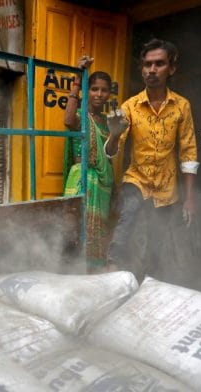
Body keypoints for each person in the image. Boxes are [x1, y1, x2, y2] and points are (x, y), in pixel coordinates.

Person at [104, 38, 199, 279]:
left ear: (172, 68)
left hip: (166, 188)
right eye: (147, 65)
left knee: (156, 243)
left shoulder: (181, 107)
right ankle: (111, 272)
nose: (152, 70)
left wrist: (189, 199)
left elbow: (188, 153)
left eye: (159, 64)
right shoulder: (131, 106)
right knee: (128, 220)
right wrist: (114, 135)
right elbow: (112, 150)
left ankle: (146, 283)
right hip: (136, 179)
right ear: (141, 69)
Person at [62, 55, 115, 273]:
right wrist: (77, 79)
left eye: (104, 90)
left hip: (102, 186)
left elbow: (109, 156)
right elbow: (67, 121)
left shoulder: (109, 122)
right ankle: (70, 271)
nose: (99, 94)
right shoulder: (79, 115)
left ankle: (91, 275)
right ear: (88, 90)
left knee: (96, 233)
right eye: (94, 89)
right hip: (80, 179)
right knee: (75, 228)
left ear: (109, 93)